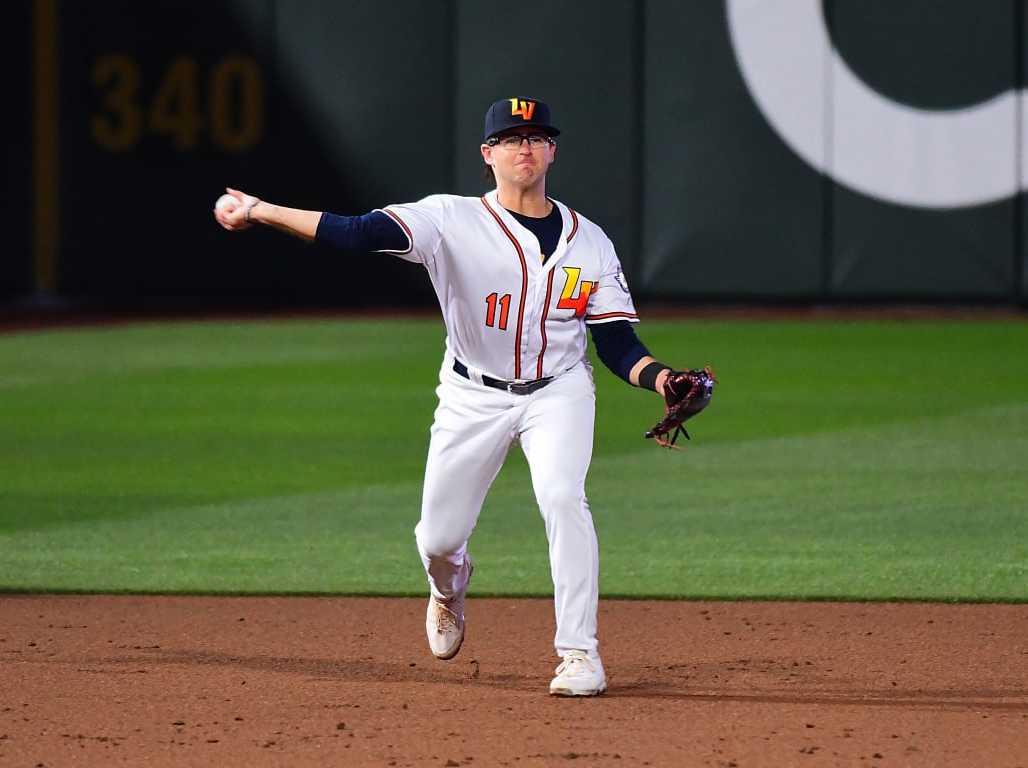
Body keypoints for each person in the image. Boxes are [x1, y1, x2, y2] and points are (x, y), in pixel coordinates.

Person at [213, 96, 698, 697]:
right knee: (438, 540)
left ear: (553, 151)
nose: (527, 146)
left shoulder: (590, 241)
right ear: (487, 154)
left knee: (563, 497)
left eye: (538, 136)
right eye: (513, 138)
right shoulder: (447, 220)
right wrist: (260, 210)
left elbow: (617, 342)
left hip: (559, 392)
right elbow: (356, 233)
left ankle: (580, 655)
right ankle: (447, 590)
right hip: (472, 394)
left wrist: (662, 379)